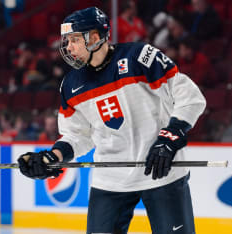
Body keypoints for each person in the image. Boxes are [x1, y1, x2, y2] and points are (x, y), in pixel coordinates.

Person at [17, 7, 206, 234]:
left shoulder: (140, 57)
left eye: (75, 40)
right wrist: (53, 157)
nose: (68, 47)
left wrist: (170, 138)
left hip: (161, 171)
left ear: (95, 38)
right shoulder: (70, 85)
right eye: (67, 41)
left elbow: (191, 98)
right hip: (110, 180)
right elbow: (76, 135)